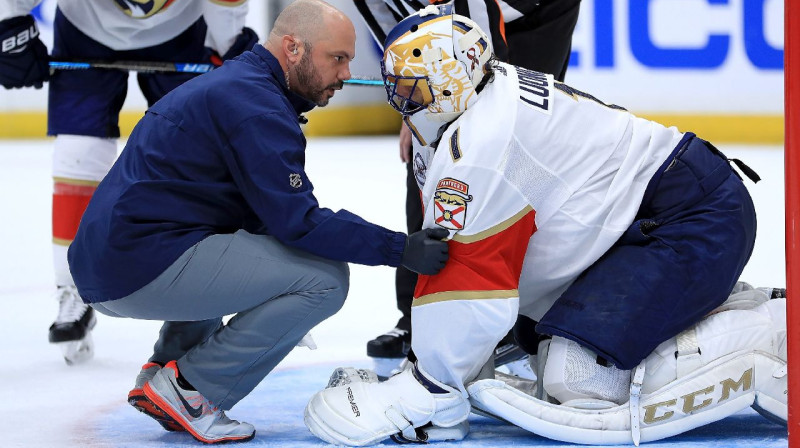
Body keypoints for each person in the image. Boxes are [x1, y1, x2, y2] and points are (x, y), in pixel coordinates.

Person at [303, 5, 787, 445]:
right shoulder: (477, 98)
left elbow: (472, 280)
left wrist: (430, 385)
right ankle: (717, 305)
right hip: (649, 216)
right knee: (546, 345)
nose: (402, 103)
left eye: (412, 89)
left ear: (450, 83)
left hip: (690, 219)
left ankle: (775, 333)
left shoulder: (480, 145)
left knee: (577, 376)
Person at [66, 0, 449, 443]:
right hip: (136, 266)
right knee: (323, 279)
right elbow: (300, 223)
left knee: (249, 245)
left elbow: (260, 221)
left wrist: (277, 315)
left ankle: (166, 368)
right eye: (337, 59)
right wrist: (402, 250)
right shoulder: (257, 107)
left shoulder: (238, 85)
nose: (346, 74)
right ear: (293, 48)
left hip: (111, 261)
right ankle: (191, 390)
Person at [0, 0, 259, 365]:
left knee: (198, 154)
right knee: (78, 153)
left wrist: (230, 44)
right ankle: (70, 288)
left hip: (181, 29)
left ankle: (209, 285)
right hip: (84, 27)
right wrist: (11, 25)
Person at [354, 0, 581, 365]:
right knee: (430, 147)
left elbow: (487, 58)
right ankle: (416, 314)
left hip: (536, 13)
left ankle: (516, 317)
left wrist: (468, 107)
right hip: (458, 19)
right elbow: (397, 35)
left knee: (504, 142)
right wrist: (414, 101)